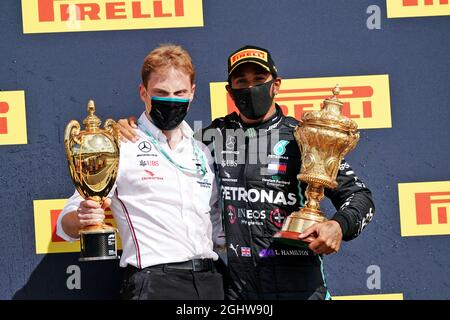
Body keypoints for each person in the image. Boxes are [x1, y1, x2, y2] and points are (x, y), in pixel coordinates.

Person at [117, 45, 375, 300]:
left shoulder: (304, 137)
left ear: (276, 84)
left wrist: (338, 226)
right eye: (241, 81)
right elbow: (165, 143)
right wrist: (128, 129)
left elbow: (360, 196)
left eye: (259, 79)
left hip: (301, 289)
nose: (250, 88)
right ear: (230, 91)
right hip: (239, 293)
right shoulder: (210, 139)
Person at [57, 44, 225, 300]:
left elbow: (214, 224)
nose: (171, 100)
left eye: (179, 92)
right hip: (155, 283)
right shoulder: (120, 144)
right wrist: (82, 217)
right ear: (143, 92)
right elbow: (66, 221)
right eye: (161, 92)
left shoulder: (202, 150)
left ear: (192, 93)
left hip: (210, 281)